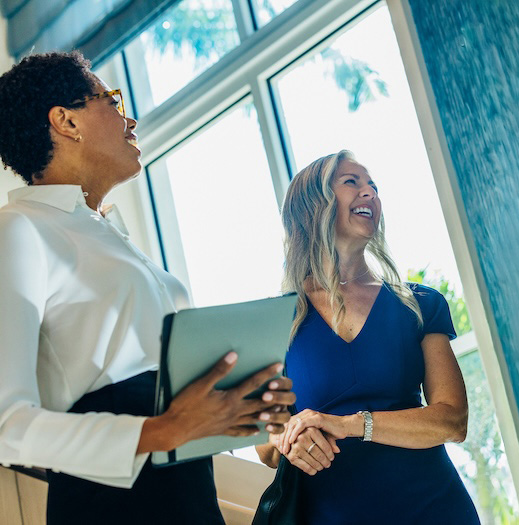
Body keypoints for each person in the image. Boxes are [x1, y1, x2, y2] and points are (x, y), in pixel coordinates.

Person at [0, 51, 295, 525]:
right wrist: (162, 430)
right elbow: (7, 426)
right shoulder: (18, 230)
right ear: (66, 121)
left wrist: (242, 407)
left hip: (188, 492)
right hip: (111, 506)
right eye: (111, 101)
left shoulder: (107, 236)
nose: (128, 117)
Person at [255, 150, 480, 523]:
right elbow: (266, 447)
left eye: (373, 186)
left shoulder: (420, 304)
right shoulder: (274, 320)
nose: (370, 193)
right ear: (314, 206)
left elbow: (452, 421)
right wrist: (289, 437)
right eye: (352, 182)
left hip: (433, 509)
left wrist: (349, 425)